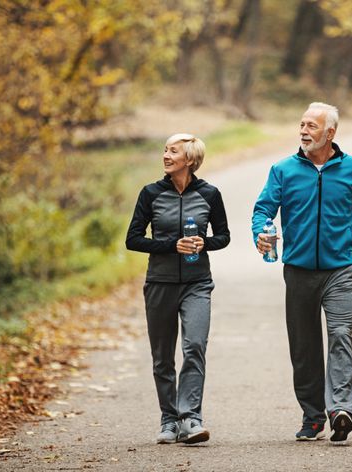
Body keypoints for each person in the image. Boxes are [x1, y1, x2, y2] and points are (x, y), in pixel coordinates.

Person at [251, 102, 352, 442]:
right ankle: (313, 415)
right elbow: (263, 209)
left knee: (340, 335)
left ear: (330, 133)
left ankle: (341, 410)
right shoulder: (283, 170)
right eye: (302, 124)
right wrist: (262, 232)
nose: (304, 131)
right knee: (304, 348)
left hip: (341, 270)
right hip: (299, 271)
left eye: (312, 126)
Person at [125, 133, 230, 444]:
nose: (166, 156)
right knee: (162, 357)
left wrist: (204, 242)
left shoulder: (210, 194)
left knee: (194, 346)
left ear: (190, 159)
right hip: (160, 283)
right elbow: (133, 239)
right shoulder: (150, 194)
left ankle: (191, 418)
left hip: (197, 283)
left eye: (173, 152)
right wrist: (172, 245)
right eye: (165, 150)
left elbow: (223, 236)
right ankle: (169, 419)